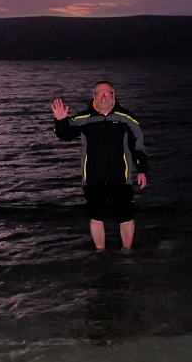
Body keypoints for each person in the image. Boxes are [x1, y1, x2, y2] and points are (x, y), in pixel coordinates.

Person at [51, 81, 149, 250]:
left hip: (120, 178)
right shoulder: (84, 119)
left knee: (125, 216)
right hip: (93, 178)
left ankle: (127, 251)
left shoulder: (127, 119)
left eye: (107, 93)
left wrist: (142, 170)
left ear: (114, 96)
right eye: (100, 93)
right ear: (94, 96)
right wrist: (60, 121)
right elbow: (65, 134)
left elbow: (138, 146)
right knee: (96, 217)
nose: (104, 97)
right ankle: (100, 251)